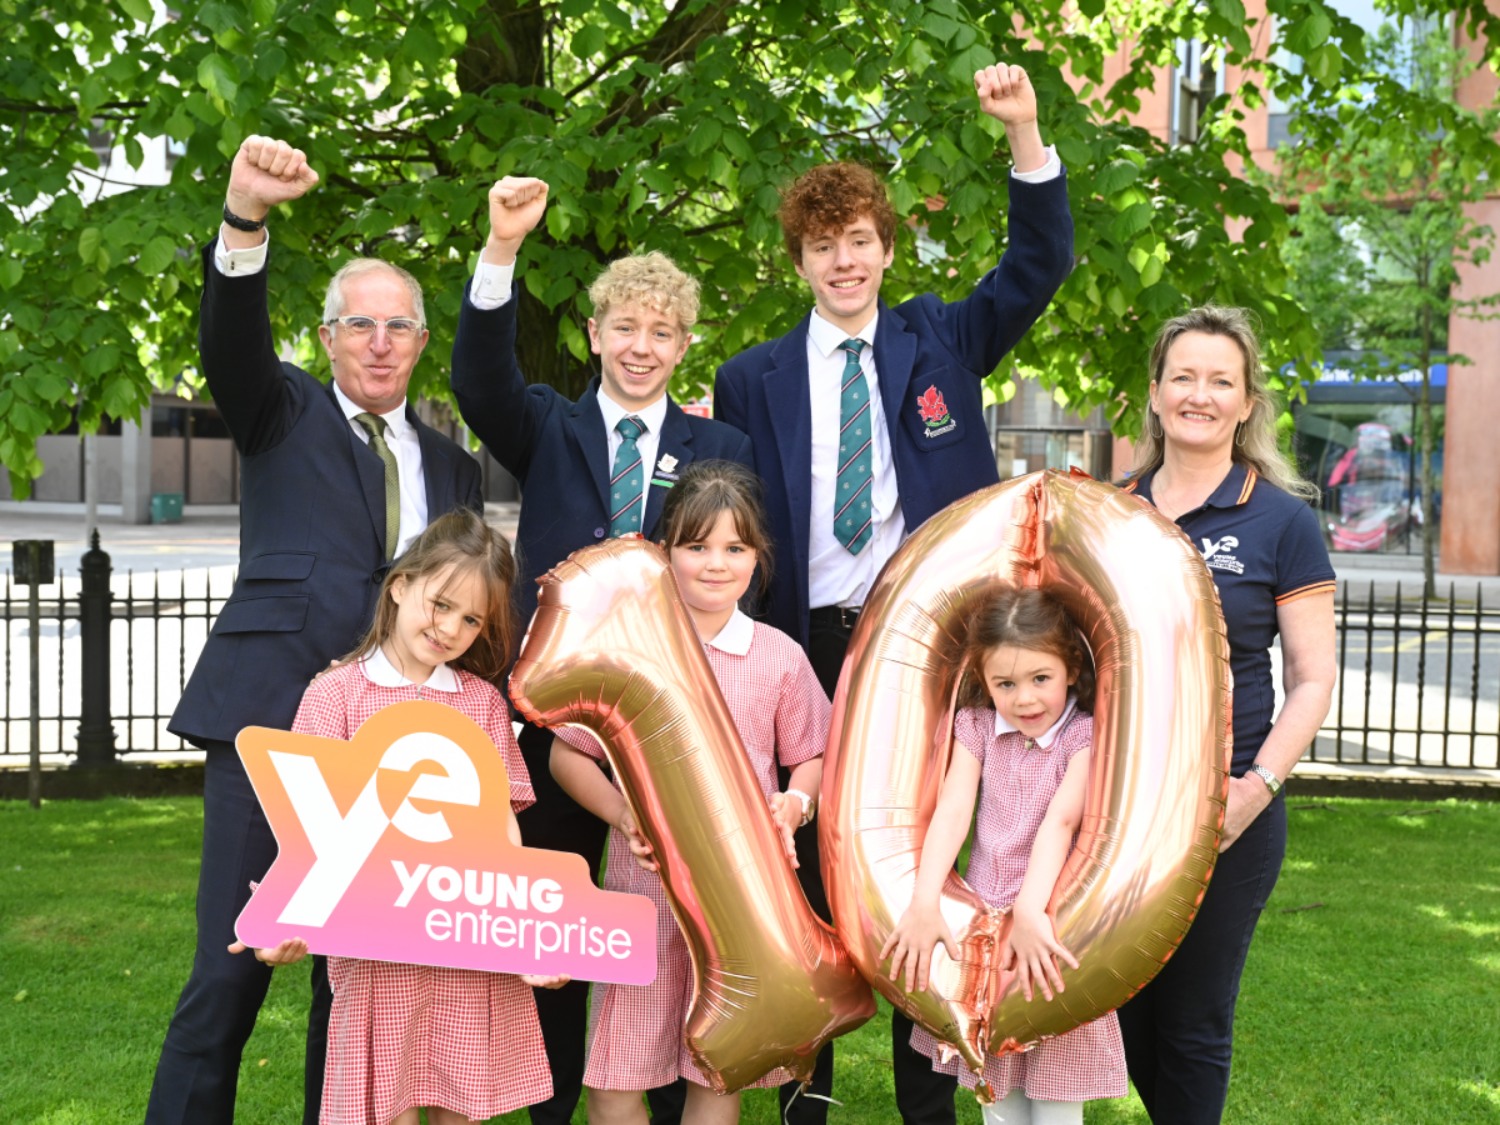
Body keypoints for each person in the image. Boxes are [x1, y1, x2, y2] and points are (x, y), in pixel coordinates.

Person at [712, 62, 1074, 1125]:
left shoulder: (941, 342)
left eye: (860, 240)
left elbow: (1039, 261)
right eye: (823, 246)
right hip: (813, 650)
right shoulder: (752, 377)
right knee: (813, 876)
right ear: (802, 261)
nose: (844, 260)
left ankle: (931, 1103)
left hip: (931, 658)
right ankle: (806, 1100)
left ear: (883, 248)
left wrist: (1025, 135)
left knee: (926, 862)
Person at [148, 136, 483, 1125]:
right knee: (231, 969)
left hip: (390, 754)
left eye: (399, 326)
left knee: (359, 992)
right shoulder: (279, 409)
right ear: (329, 337)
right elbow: (232, 343)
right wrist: (245, 216)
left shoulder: (453, 467)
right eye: (358, 324)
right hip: (270, 731)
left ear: (422, 341)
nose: (380, 342)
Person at [450, 178, 753, 1125]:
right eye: (625, 326)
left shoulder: (720, 443)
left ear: (683, 346)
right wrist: (501, 249)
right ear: (594, 334)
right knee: (559, 912)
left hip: (673, 716)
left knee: (679, 917)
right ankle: (551, 1104)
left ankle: (665, 1094)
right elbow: (476, 379)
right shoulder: (548, 423)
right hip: (555, 712)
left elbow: (738, 563)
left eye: (662, 332)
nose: (641, 346)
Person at [235, 508, 565, 1125]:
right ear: (400, 586)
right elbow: (308, 829)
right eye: (440, 604)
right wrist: (284, 917)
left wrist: (521, 932)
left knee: (459, 1108)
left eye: (471, 620)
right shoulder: (334, 695)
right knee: (380, 1110)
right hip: (376, 955)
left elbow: (500, 827)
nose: (449, 628)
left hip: (467, 943)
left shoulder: (482, 705)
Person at [549, 459, 831, 1125]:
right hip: (641, 897)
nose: (715, 563)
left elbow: (810, 754)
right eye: (696, 545)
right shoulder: (630, 653)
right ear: (663, 552)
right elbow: (568, 754)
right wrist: (622, 813)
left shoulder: (779, 656)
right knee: (617, 1077)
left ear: (758, 558)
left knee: (717, 1072)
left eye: (735, 548)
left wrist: (796, 801)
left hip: (740, 908)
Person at [1116, 306, 1337, 1123]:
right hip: (1123, 808)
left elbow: (1313, 677)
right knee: (1123, 1007)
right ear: (1156, 392)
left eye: (1220, 381)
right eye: (1184, 376)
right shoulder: (1112, 510)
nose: (1199, 395)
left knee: (1194, 1020)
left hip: (1230, 813)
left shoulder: (1281, 519)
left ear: (1247, 404)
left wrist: (1256, 788)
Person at [882, 587, 1126, 1125]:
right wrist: (925, 900)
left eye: (1041, 679)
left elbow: (1060, 823)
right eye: (1005, 684)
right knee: (999, 1100)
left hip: (1046, 927)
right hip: (986, 930)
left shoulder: (1083, 738)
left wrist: (1032, 913)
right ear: (983, 679)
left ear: (1069, 670)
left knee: (1055, 1104)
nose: (1024, 699)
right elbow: (952, 810)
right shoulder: (975, 727)